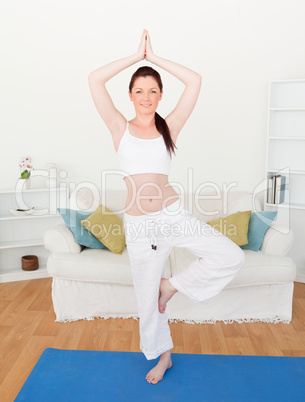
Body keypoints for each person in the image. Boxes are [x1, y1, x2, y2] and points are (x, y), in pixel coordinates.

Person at [88, 29, 245, 385]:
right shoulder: (119, 127)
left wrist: (154, 58)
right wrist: (135, 56)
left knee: (230, 256)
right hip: (141, 226)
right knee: (146, 301)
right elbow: (94, 79)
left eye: (153, 91)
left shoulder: (169, 127)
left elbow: (195, 80)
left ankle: (171, 285)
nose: (146, 97)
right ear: (130, 95)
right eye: (139, 91)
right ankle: (164, 356)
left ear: (161, 96)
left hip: (172, 215)